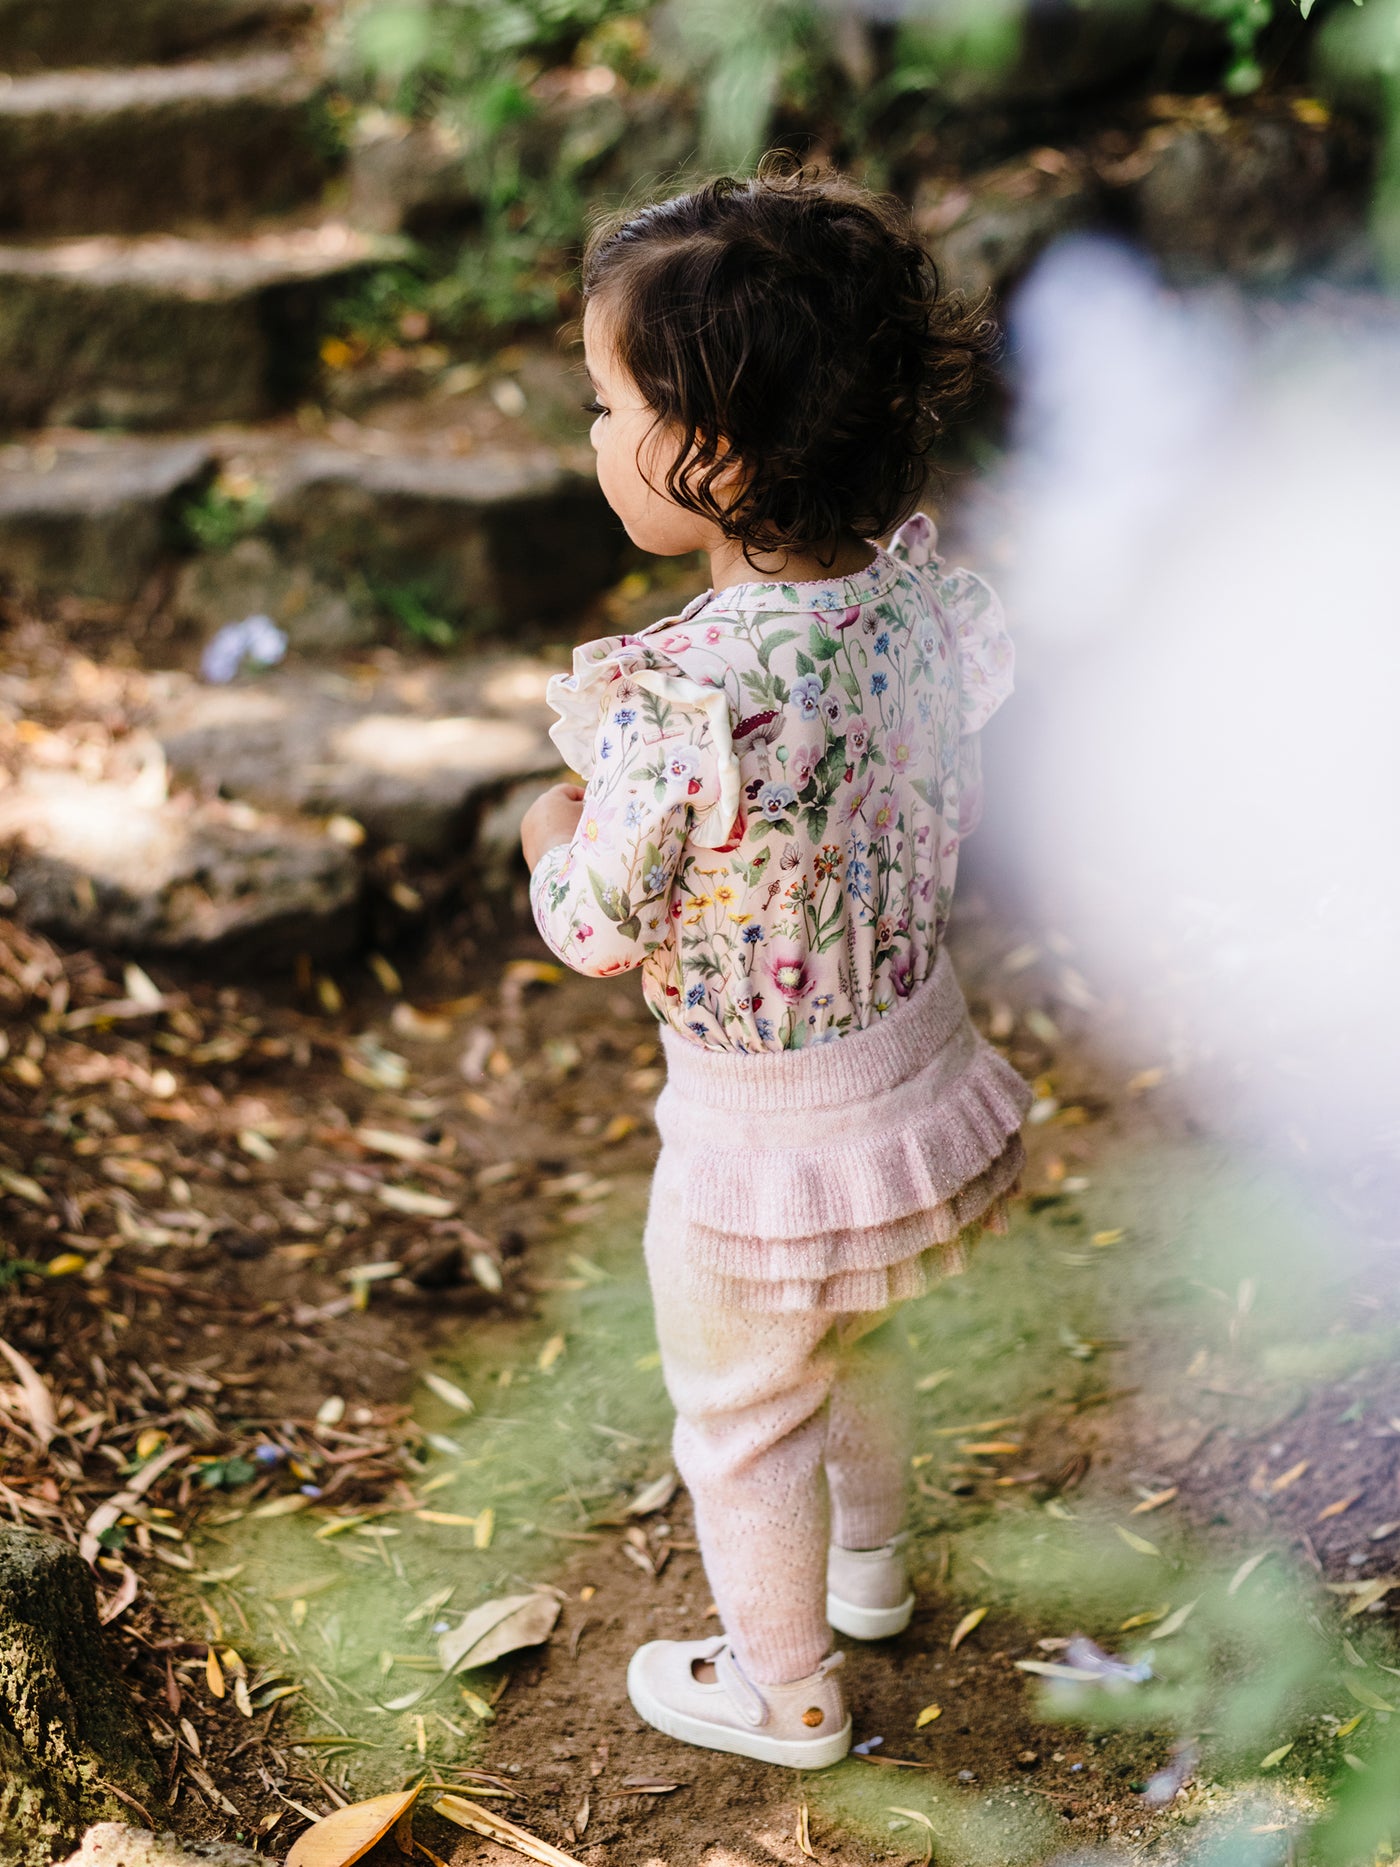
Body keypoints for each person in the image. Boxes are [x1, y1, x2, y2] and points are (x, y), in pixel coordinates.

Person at [520, 161, 1030, 1770]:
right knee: (861, 1330)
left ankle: (785, 1684)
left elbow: (597, 926)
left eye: (609, 405)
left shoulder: (678, 704)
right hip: (916, 1080)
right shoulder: (921, 612)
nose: (595, 437)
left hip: (758, 1148)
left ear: (713, 453)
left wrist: (552, 822)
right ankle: (870, 1569)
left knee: (747, 1414)